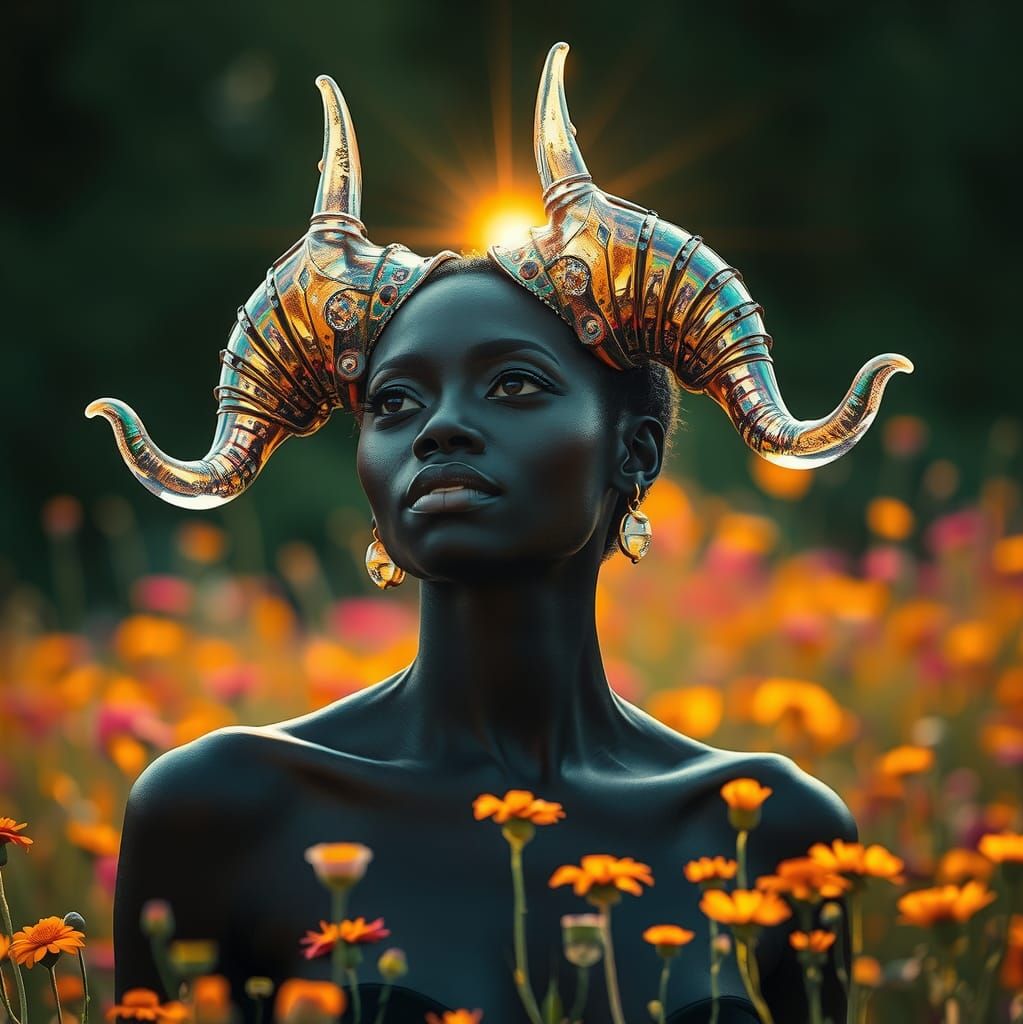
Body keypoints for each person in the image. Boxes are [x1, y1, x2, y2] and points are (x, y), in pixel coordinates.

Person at [91, 44, 912, 1024]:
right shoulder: (223, 809)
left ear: (633, 452)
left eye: (512, 383)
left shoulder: (773, 831)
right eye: (395, 400)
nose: (438, 425)